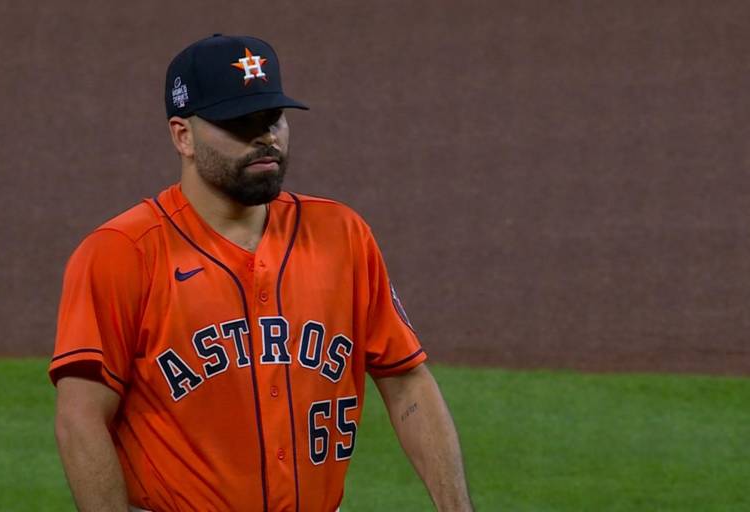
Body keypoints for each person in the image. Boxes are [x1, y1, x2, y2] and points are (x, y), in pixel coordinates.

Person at [50, 34, 473, 512]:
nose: (264, 137)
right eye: (238, 123)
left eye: (271, 119)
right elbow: (81, 419)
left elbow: (408, 384)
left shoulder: (342, 235)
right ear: (182, 135)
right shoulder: (120, 253)